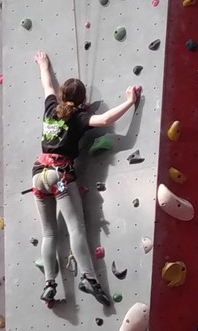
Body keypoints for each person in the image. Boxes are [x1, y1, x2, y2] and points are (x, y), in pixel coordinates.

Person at [31, 50, 140, 307]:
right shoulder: (79, 117)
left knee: (49, 234)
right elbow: (105, 119)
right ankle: (88, 278)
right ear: (82, 102)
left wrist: (43, 64)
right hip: (59, 174)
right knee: (76, 228)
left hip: (38, 175)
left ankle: (49, 284)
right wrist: (130, 101)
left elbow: (48, 85)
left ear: (62, 96)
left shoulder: (50, 109)